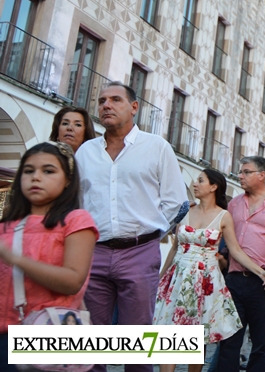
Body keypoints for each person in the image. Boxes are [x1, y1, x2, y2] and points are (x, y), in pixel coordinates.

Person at [76, 82, 185, 372]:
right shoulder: (85, 152)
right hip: (94, 254)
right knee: (91, 343)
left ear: (134, 107)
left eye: (114, 99)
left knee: (138, 343)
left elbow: (175, 201)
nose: (106, 105)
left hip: (140, 252)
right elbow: (77, 203)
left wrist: (150, 235)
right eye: (101, 101)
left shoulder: (156, 147)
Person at [154, 168, 265, 372]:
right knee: (170, 332)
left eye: (200, 180)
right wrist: (160, 278)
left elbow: (235, 251)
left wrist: (260, 271)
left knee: (197, 337)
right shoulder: (185, 210)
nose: (195, 184)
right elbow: (174, 247)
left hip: (205, 282)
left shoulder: (224, 216)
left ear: (214, 186)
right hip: (178, 276)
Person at [0, 142, 98, 372]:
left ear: (67, 180)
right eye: (28, 170)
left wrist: (17, 259)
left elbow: (72, 280)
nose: (36, 177)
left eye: (48, 171)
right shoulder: (6, 226)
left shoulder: (76, 221)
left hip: (50, 334)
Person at [217, 156, 265, 372]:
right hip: (234, 281)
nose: (240, 176)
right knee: (228, 341)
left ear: (262, 175)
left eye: (246, 172)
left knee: (262, 343)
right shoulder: (234, 203)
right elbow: (225, 240)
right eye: (240, 172)